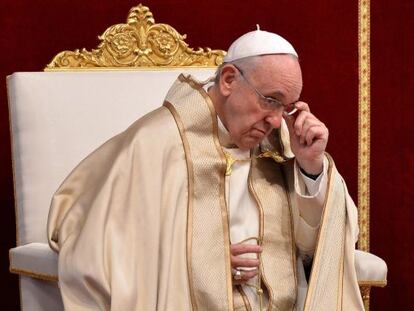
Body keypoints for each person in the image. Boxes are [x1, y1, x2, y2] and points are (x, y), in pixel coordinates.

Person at [47, 28, 364, 310]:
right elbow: (95, 246)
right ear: (228, 80)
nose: (277, 121)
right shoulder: (157, 142)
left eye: (288, 107)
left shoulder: (281, 143)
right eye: (270, 100)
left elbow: (318, 247)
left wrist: (310, 168)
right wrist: (201, 266)